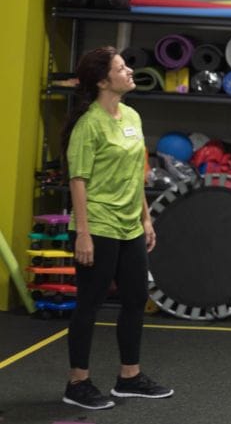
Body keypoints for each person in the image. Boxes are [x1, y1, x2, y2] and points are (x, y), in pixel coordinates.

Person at [61, 46, 173, 410]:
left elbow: (135, 173)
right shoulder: (88, 124)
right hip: (99, 224)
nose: (129, 73)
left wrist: (145, 216)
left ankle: (129, 378)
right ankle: (77, 383)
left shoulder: (132, 117)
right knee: (89, 304)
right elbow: (77, 180)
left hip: (130, 226)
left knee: (136, 298)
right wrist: (83, 232)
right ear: (102, 80)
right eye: (121, 69)